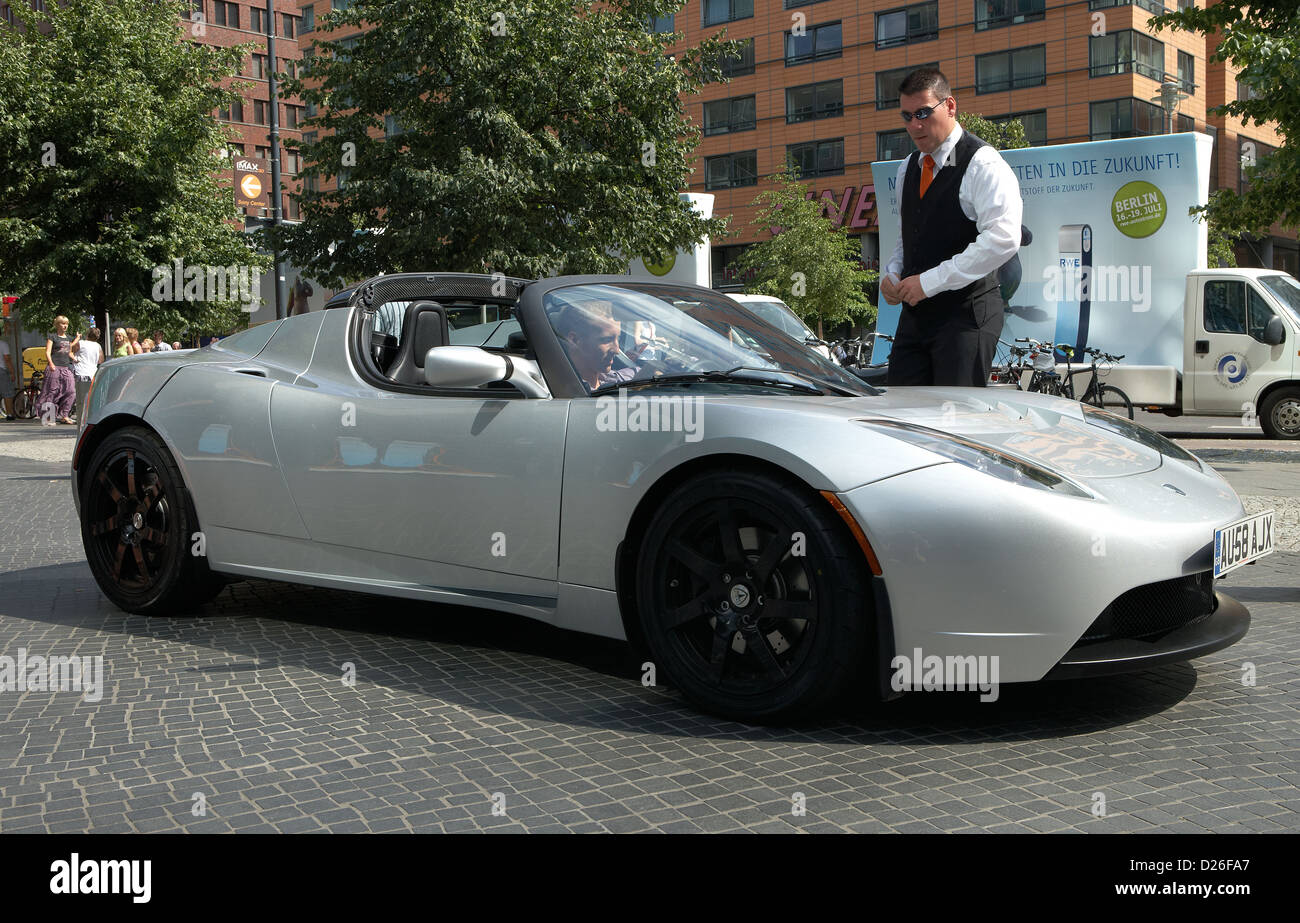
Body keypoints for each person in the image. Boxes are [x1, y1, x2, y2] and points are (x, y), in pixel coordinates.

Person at [881, 68, 1022, 387]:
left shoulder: (982, 163)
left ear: (951, 106)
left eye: (923, 113)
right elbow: (909, 240)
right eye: (906, 116)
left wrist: (928, 282)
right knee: (901, 420)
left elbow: (1003, 239)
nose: (914, 125)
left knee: (955, 425)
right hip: (916, 319)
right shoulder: (907, 167)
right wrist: (892, 274)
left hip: (966, 317)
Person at [552, 299, 638, 391]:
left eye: (618, 338)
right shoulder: (564, 392)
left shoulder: (612, 378)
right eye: (607, 340)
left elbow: (643, 372)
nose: (617, 350)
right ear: (574, 340)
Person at [40, 315, 78, 425]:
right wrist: (51, 364)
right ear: (57, 325)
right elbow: (47, 352)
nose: (65, 326)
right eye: (62, 323)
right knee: (52, 392)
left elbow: (69, 352)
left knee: (71, 391)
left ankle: (64, 415)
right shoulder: (52, 337)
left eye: (66, 324)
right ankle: (48, 418)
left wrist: (75, 359)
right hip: (54, 367)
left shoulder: (69, 338)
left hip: (66, 368)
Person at [71, 326, 103, 421]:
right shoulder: (98, 346)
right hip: (93, 374)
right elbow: (100, 360)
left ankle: (81, 423)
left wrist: (77, 338)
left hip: (81, 373)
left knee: (81, 403)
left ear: (87, 335)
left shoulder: (81, 343)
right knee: (90, 401)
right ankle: (89, 420)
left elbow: (69, 349)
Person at [0, 319, 15, 421]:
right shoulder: (3, 344)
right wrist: (12, 372)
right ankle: (9, 414)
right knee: (7, 393)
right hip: (1, 370)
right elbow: (7, 359)